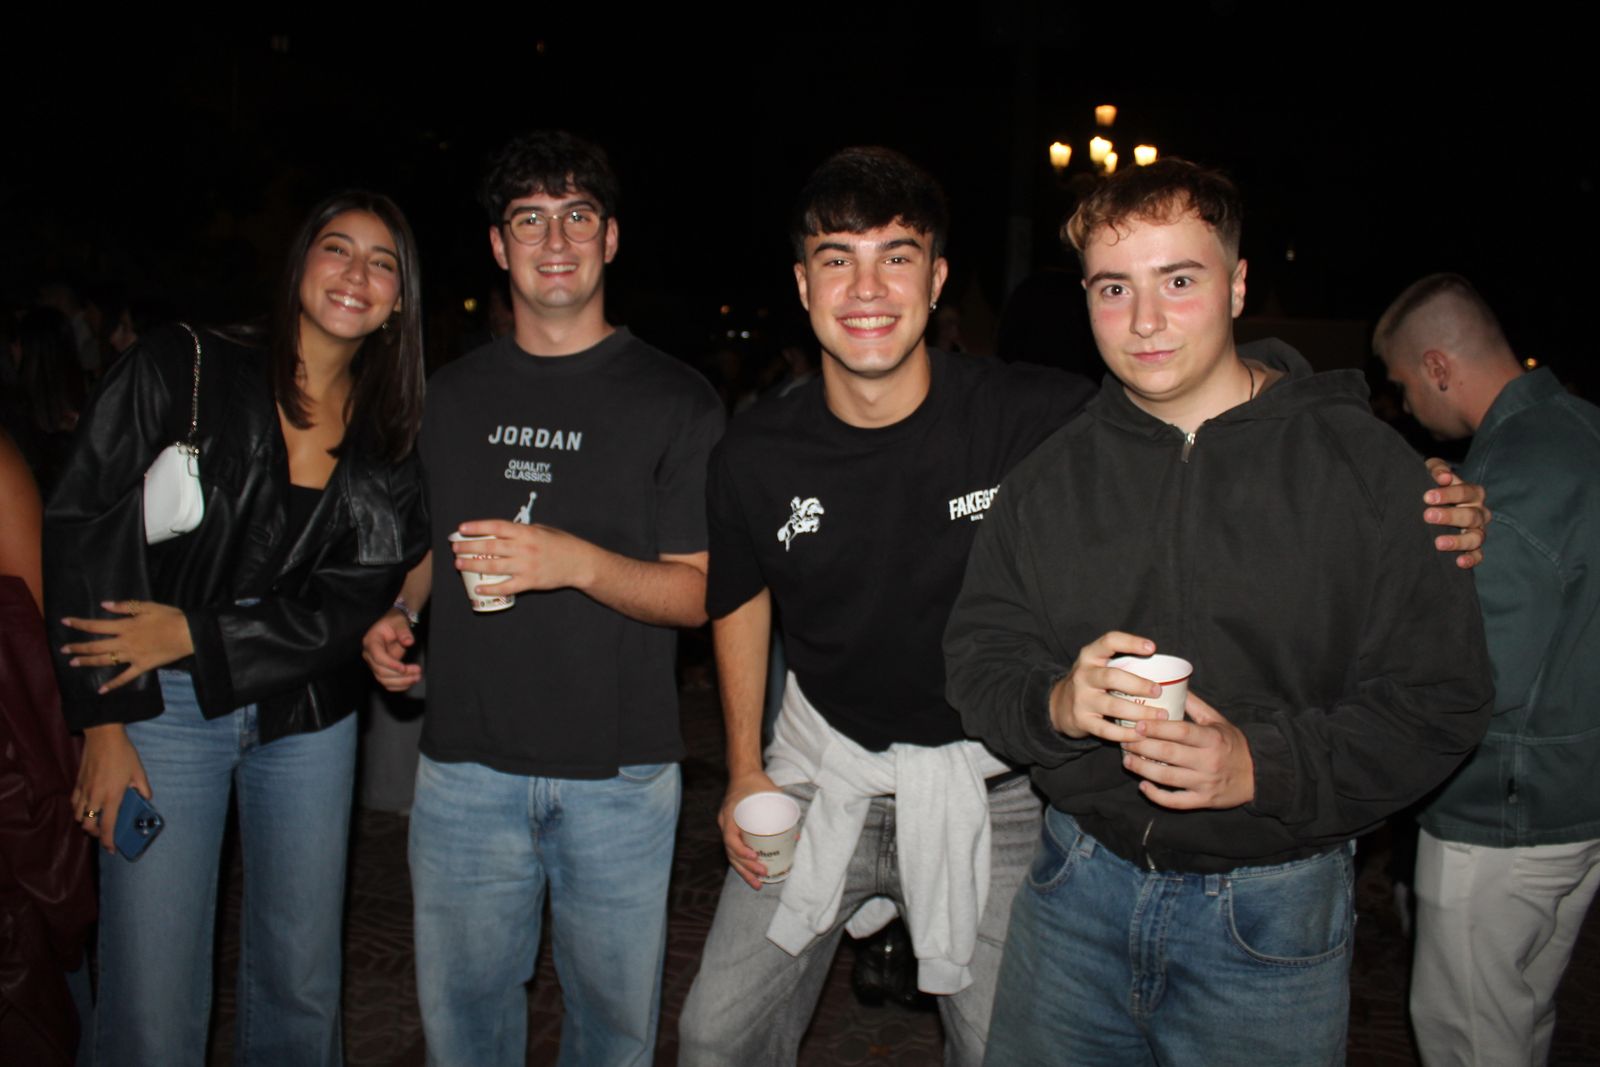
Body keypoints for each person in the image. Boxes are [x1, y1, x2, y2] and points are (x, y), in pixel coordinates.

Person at [676, 148, 1489, 1066]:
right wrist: (744, 767)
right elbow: (753, 597)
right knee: (713, 1033)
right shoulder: (771, 450)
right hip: (867, 781)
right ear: (802, 283)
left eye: (896, 257)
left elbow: (1203, 404)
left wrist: (1407, 482)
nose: (868, 288)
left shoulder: (1034, 418)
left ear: (937, 280)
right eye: (837, 260)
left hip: (1015, 797)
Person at [942, 159, 1495, 1065]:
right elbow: (978, 661)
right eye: (1114, 288)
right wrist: (1054, 703)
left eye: (1179, 281)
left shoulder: (1371, 473)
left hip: (1272, 911)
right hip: (1073, 893)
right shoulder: (1046, 478)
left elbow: (1444, 700)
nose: (1145, 320)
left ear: (1237, 286)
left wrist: (1260, 765)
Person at [361, 130, 723, 1067]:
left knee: (613, 1033)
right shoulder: (447, 396)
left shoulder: (678, 400)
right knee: (464, 1027)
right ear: (498, 244)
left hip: (621, 774)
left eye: (577, 216)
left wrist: (573, 561)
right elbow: (431, 548)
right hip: (464, 769)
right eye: (529, 219)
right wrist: (400, 610)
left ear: (610, 238)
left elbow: (697, 594)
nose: (554, 240)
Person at [45, 190, 429, 1067]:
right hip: (159, 704)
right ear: (299, 265)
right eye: (338, 248)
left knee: (301, 982)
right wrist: (102, 725)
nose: (357, 273)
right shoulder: (182, 363)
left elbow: (352, 600)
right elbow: (82, 528)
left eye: (382, 263)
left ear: (398, 302)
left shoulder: (389, 434)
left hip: (309, 710)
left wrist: (198, 634)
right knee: (152, 992)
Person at [1375, 274, 1600, 1067]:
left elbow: (1480, 672)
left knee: (1469, 1041)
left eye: (1403, 384)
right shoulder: (1583, 427)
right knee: (1521, 1019)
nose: (1404, 405)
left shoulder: (1509, 475)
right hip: (1576, 798)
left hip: (1505, 816)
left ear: (1437, 367)